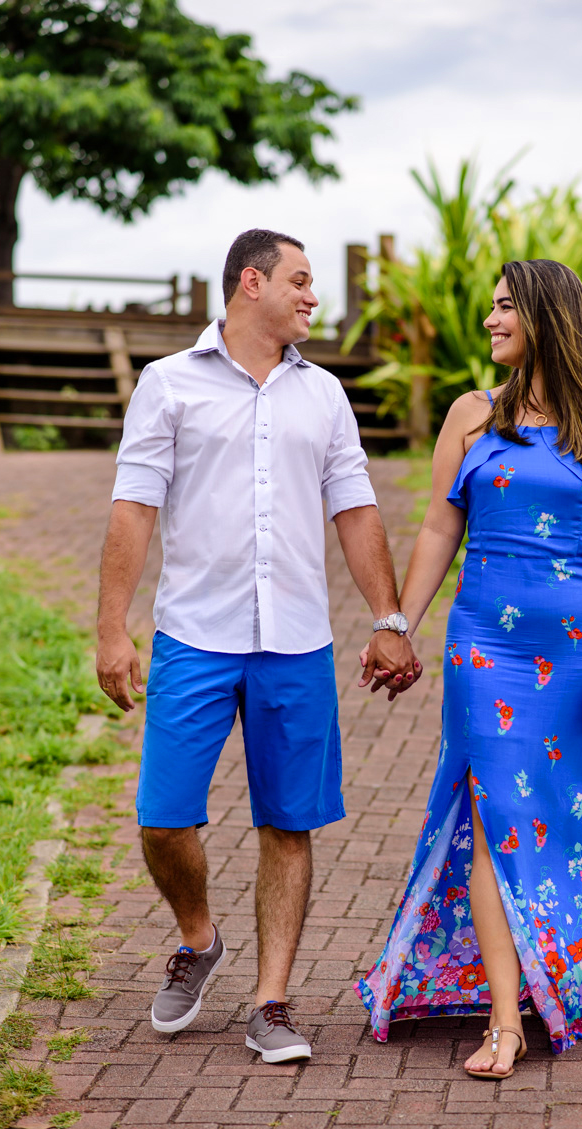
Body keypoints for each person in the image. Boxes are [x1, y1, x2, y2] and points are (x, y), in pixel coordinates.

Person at [96, 229, 421, 1064]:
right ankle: (199, 938)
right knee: (163, 819)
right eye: (301, 281)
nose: (314, 297)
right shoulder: (168, 386)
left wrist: (387, 620)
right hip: (193, 638)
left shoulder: (324, 396)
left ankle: (271, 1001)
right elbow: (133, 509)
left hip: (297, 645)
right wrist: (111, 629)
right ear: (251, 283)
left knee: (289, 821)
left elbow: (355, 510)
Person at [355, 259, 582, 1074]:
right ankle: (505, 1019)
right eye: (492, 308)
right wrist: (397, 625)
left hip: (579, 659)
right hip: (486, 655)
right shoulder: (471, 417)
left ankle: (574, 979)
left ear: (544, 316)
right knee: (498, 822)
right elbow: (439, 529)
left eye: (504, 308)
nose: (491, 321)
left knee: (577, 822)